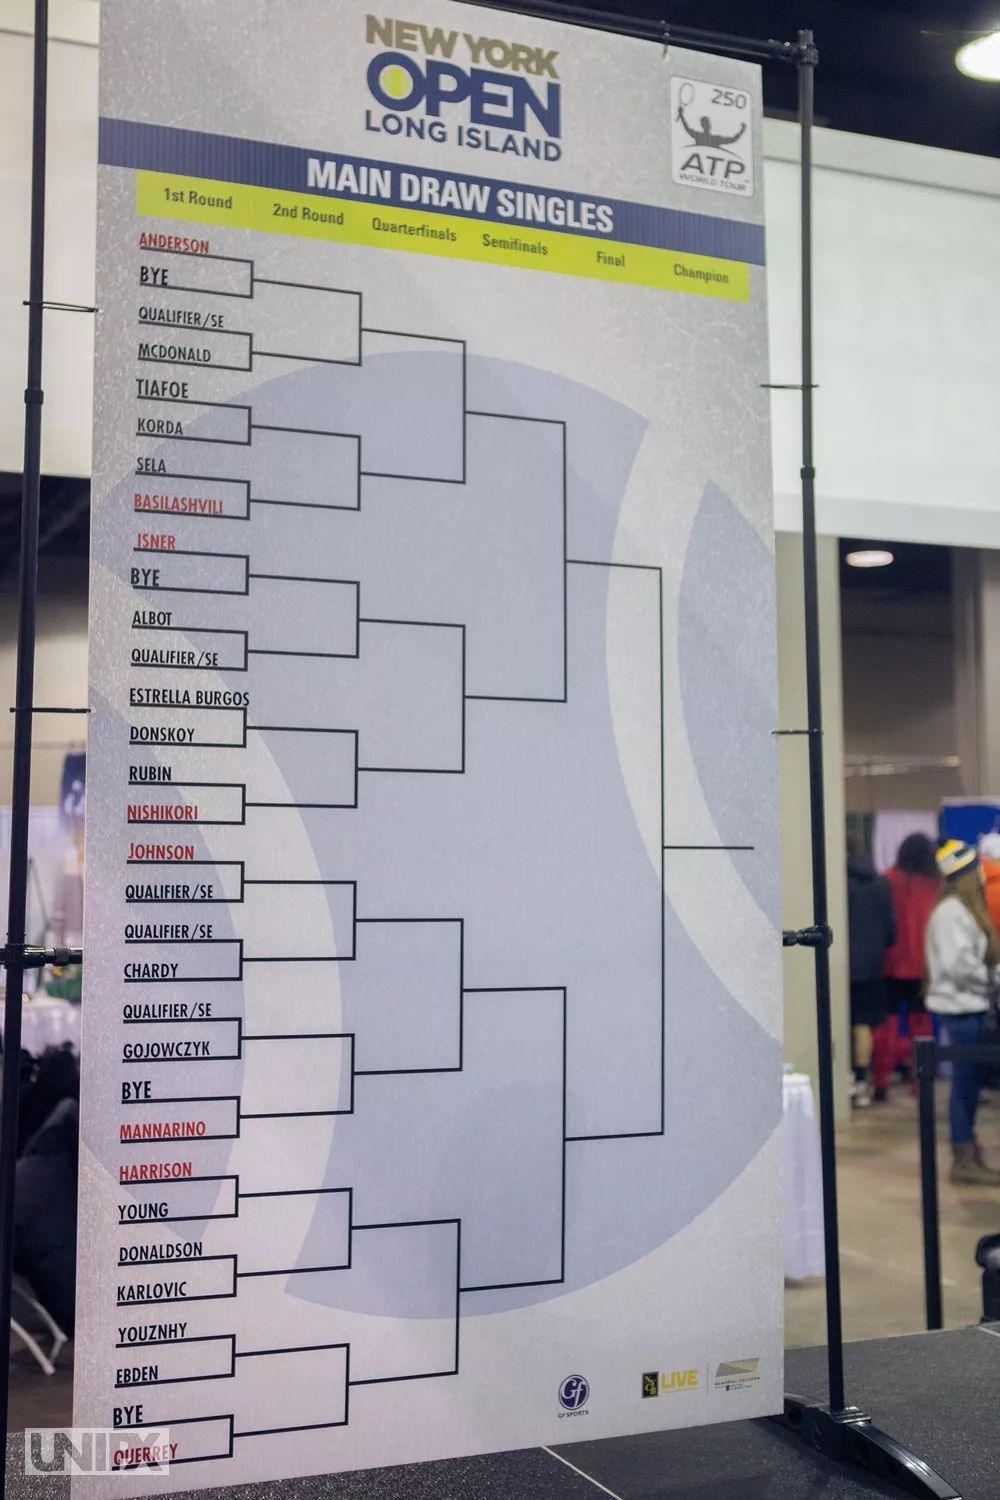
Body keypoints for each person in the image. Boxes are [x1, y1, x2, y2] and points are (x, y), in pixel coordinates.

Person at [925, 840, 1000, 1185]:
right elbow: (958, 964)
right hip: (962, 1011)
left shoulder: (962, 909)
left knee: (968, 1085)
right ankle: (963, 1158)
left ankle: (968, 1151)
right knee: (965, 1085)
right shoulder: (951, 912)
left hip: (973, 1006)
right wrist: (990, 979)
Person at [872, 833, 941, 1101]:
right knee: (921, 1025)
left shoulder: (887, 880)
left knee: (886, 1024)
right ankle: (920, 1081)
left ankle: (880, 1079)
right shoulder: (937, 884)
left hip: (890, 963)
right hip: (924, 965)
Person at [847, 837, 896, 1107]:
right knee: (864, 1024)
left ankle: (847, 1080)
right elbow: (891, 930)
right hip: (872, 965)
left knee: (843, 1021)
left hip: (841, 964)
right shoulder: (881, 883)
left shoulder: (839, 883)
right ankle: (862, 1082)